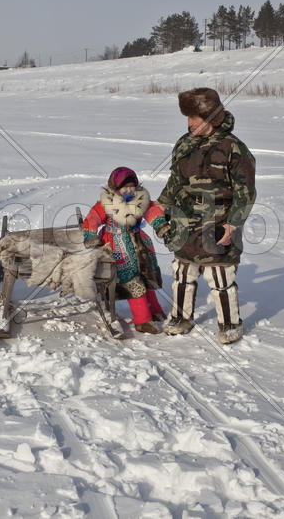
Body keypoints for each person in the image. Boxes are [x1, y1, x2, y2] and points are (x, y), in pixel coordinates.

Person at [156, 87, 256, 344]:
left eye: (194, 118)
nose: (189, 123)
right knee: (183, 270)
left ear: (211, 117)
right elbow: (175, 181)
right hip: (185, 218)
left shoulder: (234, 148)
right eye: (188, 118)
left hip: (218, 219)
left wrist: (233, 225)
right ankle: (181, 318)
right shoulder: (185, 143)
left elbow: (245, 193)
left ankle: (230, 324)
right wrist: (161, 206)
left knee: (219, 274)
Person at [83, 167, 168, 334]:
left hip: (140, 243)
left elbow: (152, 211)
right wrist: (90, 235)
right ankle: (142, 320)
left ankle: (154, 309)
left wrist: (160, 225)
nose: (129, 190)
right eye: (124, 187)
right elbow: (92, 219)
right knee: (132, 281)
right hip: (117, 246)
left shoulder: (140, 199)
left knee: (147, 276)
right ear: (115, 188)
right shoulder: (107, 203)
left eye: (131, 186)